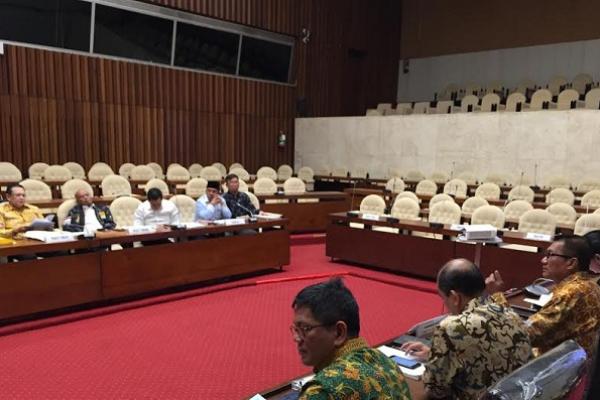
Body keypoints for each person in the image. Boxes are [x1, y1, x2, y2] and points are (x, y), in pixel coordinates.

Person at [401, 259, 531, 400]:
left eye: (443, 298)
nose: (445, 304)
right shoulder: (512, 316)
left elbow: (435, 390)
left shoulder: (452, 327)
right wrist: (434, 354)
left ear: (455, 298)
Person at [291, 278, 411, 400]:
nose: (296, 338)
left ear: (339, 333)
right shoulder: (387, 363)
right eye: (296, 329)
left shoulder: (322, 391)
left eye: (305, 328)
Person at [487, 234, 600, 356]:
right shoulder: (591, 284)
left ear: (571, 263)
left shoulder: (570, 293)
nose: (543, 260)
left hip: (556, 367)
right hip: (577, 362)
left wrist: (497, 296)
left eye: (550, 255)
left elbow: (523, 335)